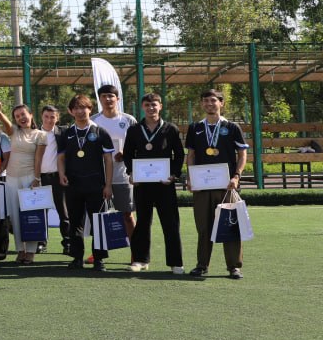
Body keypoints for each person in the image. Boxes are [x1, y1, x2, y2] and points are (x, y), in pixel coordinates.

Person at [184, 88, 248, 279]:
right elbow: (191, 155)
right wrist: (189, 177)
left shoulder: (233, 127)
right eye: (206, 101)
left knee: (230, 225)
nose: (209, 104)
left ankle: (234, 267)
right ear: (202, 104)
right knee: (204, 227)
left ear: (221, 103)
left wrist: (236, 175)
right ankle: (202, 265)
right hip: (202, 186)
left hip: (227, 185)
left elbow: (242, 154)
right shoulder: (195, 127)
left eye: (213, 101)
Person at [123, 92, 185, 274]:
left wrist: (174, 174)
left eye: (154, 104)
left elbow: (179, 155)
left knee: (171, 223)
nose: (151, 108)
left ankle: (176, 262)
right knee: (142, 222)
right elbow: (128, 154)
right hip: (142, 184)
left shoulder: (170, 129)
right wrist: (131, 173)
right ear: (143, 107)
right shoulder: (134, 130)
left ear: (160, 106)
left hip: (165, 183)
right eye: (147, 105)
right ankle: (140, 260)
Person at [55, 94, 116, 271]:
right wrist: (61, 174)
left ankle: (99, 259)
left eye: (84, 107)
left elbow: (108, 160)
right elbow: (60, 157)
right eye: (77, 108)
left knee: (98, 222)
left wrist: (108, 184)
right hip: (73, 184)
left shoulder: (100, 132)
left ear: (90, 109)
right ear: (71, 111)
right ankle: (77, 257)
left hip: (96, 184)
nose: (81, 111)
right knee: (75, 222)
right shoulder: (67, 133)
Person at [0, 103, 45, 265]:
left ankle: (31, 251)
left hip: (30, 178)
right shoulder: (14, 132)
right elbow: (7, 125)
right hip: (11, 178)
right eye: (17, 116)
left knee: (31, 216)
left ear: (30, 114)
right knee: (15, 217)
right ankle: (20, 250)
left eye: (23, 114)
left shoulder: (40, 135)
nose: (21, 118)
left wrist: (37, 178)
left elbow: (39, 159)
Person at [92, 85, 138, 246]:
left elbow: (137, 144)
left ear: (118, 99)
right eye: (104, 96)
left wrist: (125, 153)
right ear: (100, 99)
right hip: (99, 177)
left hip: (122, 176)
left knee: (127, 215)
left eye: (111, 96)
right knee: (98, 216)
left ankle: (136, 254)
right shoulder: (94, 121)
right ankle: (98, 253)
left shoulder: (128, 120)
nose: (108, 99)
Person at [37, 104, 71, 254]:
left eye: (52, 117)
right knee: (40, 213)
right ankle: (41, 243)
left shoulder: (63, 133)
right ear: (41, 117)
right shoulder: (34, 133)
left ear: (57, 118)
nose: (49, 120)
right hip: (40, 179)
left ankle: (68, 243)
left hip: (58, 178)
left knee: (64, 213)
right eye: (46, 116)